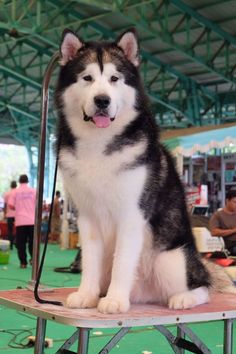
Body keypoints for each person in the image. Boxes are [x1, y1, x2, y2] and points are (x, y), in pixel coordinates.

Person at [8, 174, 36, 268]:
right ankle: (33, 260)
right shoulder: (33, 191)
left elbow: (11, 205)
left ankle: (23, 263)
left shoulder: (14, 192)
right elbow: (38, 204)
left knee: (21, 243)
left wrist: (19, 207)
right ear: (28, 181)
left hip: (20, 221)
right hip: (32, 221)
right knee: (32, 242)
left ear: (19, 181)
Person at [209, 189, 236, 256]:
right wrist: (233, 230)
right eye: (235, 202)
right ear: (227, 201)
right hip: (230, 246)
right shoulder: (218, 215)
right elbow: (214, 232)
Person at [3, 181, 17, 249]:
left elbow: (5, 205)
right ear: (16, 185)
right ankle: (17, 243)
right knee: (18, 229)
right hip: (17, 214)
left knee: (10, 230)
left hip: (9, 214)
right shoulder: (18, 193)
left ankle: (10, 244)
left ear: (11, 186)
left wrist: (5, 213)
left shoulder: (7, 194)